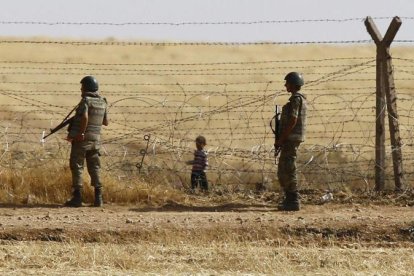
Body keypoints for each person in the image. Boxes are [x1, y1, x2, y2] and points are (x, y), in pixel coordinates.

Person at [64, 76, 109, 207]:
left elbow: (84, 117)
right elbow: (105, 122)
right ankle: (98, 197)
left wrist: (81, 133)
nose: (81, 89)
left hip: (82, 140)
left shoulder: (85, 101)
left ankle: (77, 197)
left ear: (86, 88)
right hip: (95, 140)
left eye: (82, 87)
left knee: (77, 166)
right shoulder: (102, 102)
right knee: (94, 167)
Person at [275, 72, 307, 211]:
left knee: (288, 167)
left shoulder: (296, 99)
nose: (285, 85)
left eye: (287, 83)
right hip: (291, 138)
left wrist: (281, 139)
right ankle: (289, 197)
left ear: (293, 84)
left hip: (291, 138)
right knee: (285, 167)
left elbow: (293, 120)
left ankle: (293, 200)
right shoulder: (298, 99)